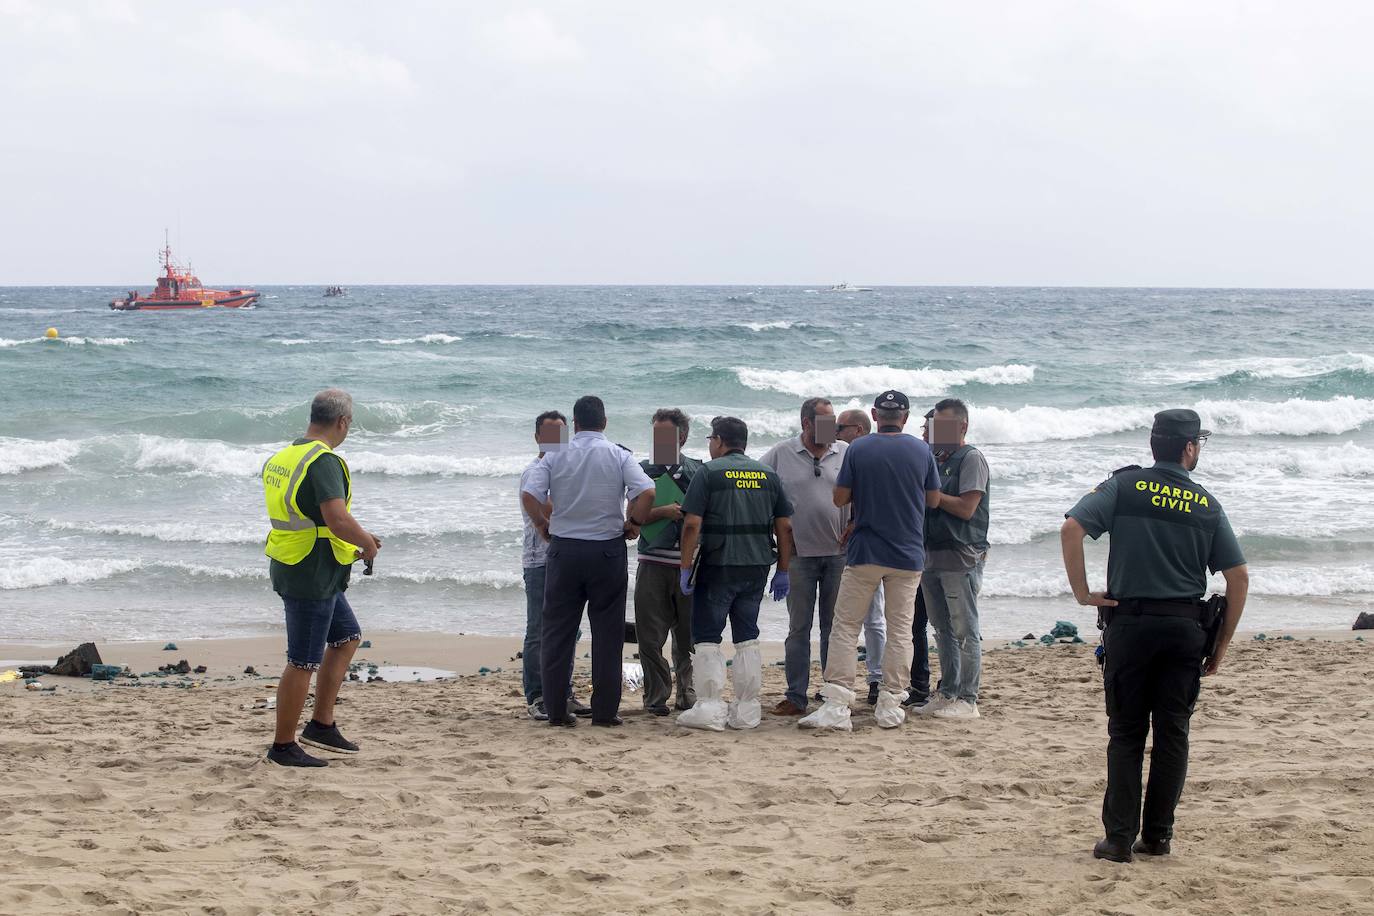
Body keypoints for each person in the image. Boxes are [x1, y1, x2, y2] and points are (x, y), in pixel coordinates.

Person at [1061, 408, 1248, 863]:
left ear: (1154, 444)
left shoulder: (1124, 486)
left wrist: (1085, 594)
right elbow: (1238, 576)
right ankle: (1158, 837)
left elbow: (1071, 528)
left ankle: (1119, 839)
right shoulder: (1205, 503)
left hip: (1130, 623)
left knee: (1126, 733)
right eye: (1198, 443)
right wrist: (1220, 645)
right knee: (1172, 733)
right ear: (1188, 448)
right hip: (1185, 629)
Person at [800, 391, 941, 731]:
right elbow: (933, 500)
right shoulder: (921, 450)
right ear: (905, 418)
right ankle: (891, 704)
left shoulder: (859, 448)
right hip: (907, 553)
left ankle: (837, 704)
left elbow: (839, 498)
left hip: (866, 551)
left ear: (876, 416)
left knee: (846, 627)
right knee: (900, 629)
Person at [260, 388, 381, 767]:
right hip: (310, 571)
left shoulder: (285, 455)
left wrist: (359, 538)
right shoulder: (324, 461)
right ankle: (282, 746)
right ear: (342, 422)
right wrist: (367, 544)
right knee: (302, 661)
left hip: (298, 562)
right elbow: (336, 518)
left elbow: (308, 515)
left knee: (347, 638)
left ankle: (321, 725)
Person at [521, 395, 655, 728]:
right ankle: (605, 712)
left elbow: (530, 495)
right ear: (604, 422)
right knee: (607, 634)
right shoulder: (618, 454)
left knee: (557, 633)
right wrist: (634, 523)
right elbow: (647, 491)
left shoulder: (555, 455)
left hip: (565, 550)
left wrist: (541, 524)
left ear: (575, 423)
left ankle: (556, 711)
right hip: (606, 551)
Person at [676, 416, 794, 731]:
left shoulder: (709, 472)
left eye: (710, 439)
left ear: (719, 440)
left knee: (707, 638)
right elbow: (785, 526)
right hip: (756, 567)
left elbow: (691, 524)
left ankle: (711, 708)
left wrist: (685, 567)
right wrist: (783, 569)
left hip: (718, 565)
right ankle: (747, 711)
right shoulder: (768, 474)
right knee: (747, 637)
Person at [759, 398, 848, 716]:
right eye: (825, 422)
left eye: (834, 422)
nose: (832, 429)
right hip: (797, 557)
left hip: (838, 555)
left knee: (832, 628)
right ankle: (796, 696)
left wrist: (853, 523)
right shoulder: (780, 454)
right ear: (806, 423)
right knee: (798, 628)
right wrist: (772, 533)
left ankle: (830, 693)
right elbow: (758, 490)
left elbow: (862, 491)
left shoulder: (845, 452)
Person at [915, 398, 991, 720]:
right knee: (940, 628)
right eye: (934, 425)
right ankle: (947, 692)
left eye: (944, 426)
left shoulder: (971, 458)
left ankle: (968, 698)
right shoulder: (932, 457)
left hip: (962, 554)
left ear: (962, 426)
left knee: (964, 628)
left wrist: (934, 497)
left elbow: (966, 508)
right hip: (930, 554)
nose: (936, 431)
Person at [519, 410, 591, 721]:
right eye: (549, 435)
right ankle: (537, 696)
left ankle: (563, 692)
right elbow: (553, 508)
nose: (556, 442)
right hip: (540, 561)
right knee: (539, 630)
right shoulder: (535, 471)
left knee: (569, 631)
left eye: (561, 435)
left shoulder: (567, 471)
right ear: (537, 437)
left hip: (569, 558)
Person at [634, 408, 703, 716]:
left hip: (687, 564)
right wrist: (662, 513)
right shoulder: (641, 470)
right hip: (652, 562)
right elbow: (631, 520)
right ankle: (656, 696)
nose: (658, 440)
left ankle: (686, 692)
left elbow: (707, 519)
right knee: (649, 637)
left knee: (688, 638)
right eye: (655, 434)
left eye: (665, 434)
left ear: (682, 437)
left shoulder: (699, 471)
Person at [834, 408, 890, 706]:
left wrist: (855, 520)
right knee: (859, 619)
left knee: (869, 619)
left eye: (839, 428)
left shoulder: (862, 454)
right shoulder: (851, 454)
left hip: (867, 547)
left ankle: (875, 679)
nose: (835, 434)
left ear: (856, 429)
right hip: (858, 545)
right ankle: (861, 681)